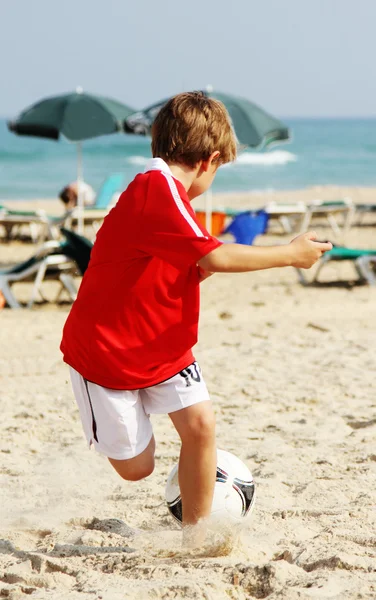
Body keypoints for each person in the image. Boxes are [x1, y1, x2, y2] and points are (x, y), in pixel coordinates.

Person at [60, 91, 332, 546]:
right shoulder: (154, 189)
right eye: (220, 168)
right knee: (136, 468)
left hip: (162, 344)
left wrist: (196, 269)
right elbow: (217, 257)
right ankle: (163, 466)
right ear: (209, 160)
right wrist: (290, 254)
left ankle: (196, 536)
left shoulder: (173, 197)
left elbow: (191, 261)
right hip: (104, 354)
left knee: (201, 426)